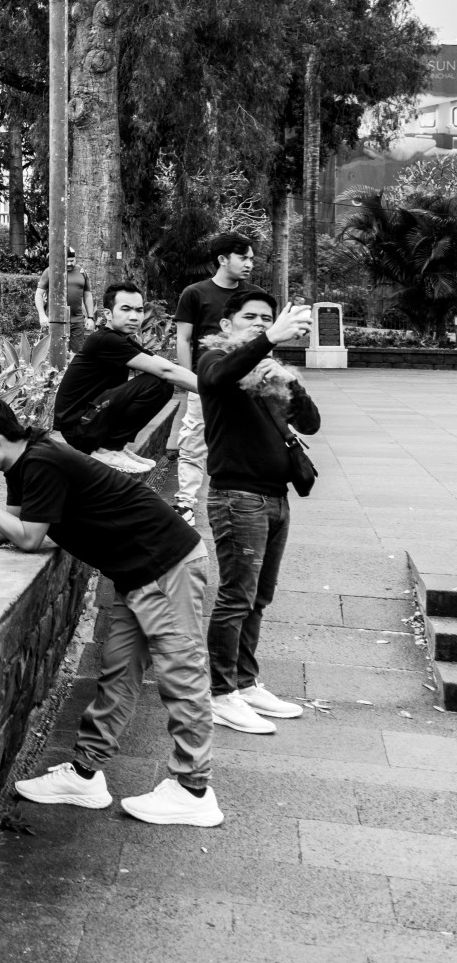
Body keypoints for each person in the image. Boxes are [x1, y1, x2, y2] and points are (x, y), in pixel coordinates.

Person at [0, 396, 220, 827]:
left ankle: (193, 790)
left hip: (165, 566)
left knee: (181, 674)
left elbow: (28, 539)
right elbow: (14, 522)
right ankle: (85, 775)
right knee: (117, 673)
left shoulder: (43, 462)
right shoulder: (26, 462)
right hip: (136, 570)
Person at [197, 287, 318, 736]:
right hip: (238, 499)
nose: (260, 324)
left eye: (267, 319)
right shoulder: (214, 363)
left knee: (258, 598)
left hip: (276, 499)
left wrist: (285, 377)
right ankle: (219, 693)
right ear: (227, 325)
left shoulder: (266, 374)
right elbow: (219, 376)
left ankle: (244, 683)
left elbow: (311, 424)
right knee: (236, 597)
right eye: (250, 317)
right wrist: (266, 343)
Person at [51, 282, 198, 473]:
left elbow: (167, 366)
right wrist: (216, 392)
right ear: (108, 314)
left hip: (91, 420)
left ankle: (116, 447)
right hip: (80, 428)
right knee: (158, 383)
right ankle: (108, 450)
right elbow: (166, 372)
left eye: (138, 310)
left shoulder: (122, 340)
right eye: (126, 309)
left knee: (162, 383)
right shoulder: (105, 340)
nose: (134, 316)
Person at [171, 231, 257, 521]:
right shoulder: (194, 293)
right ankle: (186, 503)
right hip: (205, 382)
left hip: (245, 382)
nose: (249, 264)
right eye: (243, 258)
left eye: (251, 259)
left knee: (243, 443)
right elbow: (184, 339)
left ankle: (241, 504)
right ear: (222, 259)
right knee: (193, 441)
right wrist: (190, 382)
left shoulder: (252, 296)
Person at [35, 248, 91, 350]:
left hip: (77, 320)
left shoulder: (82, 272)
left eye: (72, 260)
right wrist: (42, 316)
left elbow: (87, 295)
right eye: (67, 261)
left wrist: (90, 317)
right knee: (54, 354)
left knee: (76, 353)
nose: (69, 263)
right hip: (55, 320)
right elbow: (39, 294)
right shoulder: (50, 271)